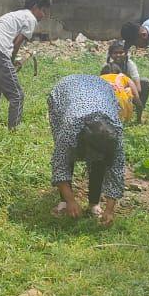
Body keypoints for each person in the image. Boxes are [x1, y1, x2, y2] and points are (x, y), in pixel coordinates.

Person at [47, 75, 126, 227]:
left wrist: (109, 210)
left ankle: (94, 203)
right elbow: (59, 162)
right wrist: (70, 200)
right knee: (66, 154)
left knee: (99, 163)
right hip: (66, 90)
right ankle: (64, 202)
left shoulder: (115, 133)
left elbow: (116, 170)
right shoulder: (70, 128)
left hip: (101, 90)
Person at [0, 0, 52, 132]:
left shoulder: (16, 14)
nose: (44, 15)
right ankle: (14, 133)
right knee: (17, 95)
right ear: (35, 8)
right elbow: (17, 42)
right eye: (43, 11)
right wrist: (11, 62)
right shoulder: (31, 18)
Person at [106, 40, 149, 122]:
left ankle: (138, 111)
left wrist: (128, 93)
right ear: (110, 54)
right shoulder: (107, 66)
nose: (118, 55)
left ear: (126, 53)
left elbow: (138, 88)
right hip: (112, 93)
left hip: (128, 90)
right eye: (115, 53)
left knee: (145, 82)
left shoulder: (130, 65)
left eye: (121, 52)